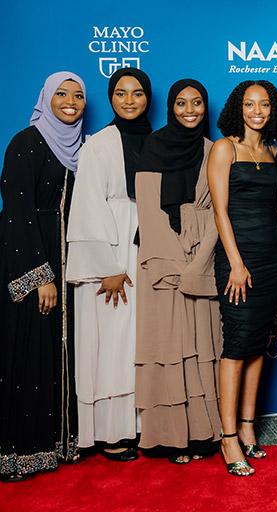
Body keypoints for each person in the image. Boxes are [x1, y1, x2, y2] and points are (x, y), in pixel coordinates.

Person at [0, 71, 86, 482]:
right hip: (32, 255)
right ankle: (21, 451)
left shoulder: (81, 147)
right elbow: (15, 212)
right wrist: (40, 276)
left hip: (69, 256)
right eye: (62, 94)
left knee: (60, 347)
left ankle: (58, 443)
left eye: (78, 95)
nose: (70, 101)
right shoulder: (25, 143)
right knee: (30, 346)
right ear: (46, 98)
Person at [66, 68, 152, 462]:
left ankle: (141, 426)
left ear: (148, 97)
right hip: (111, 257)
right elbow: (85, 207)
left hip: (147, 252)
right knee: (112, 344)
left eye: (137, 93)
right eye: (120, 93)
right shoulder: (97, 144)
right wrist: (108, 267)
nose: (129, 100)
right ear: (111, 98)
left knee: (139, 343)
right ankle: (111, 431)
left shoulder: (158, 141)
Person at [134, 79, 222, 465]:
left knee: (204, 346)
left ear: (206, 107)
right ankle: (170, 438)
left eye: (197, 102)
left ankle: (205, 435)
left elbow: (221, 211)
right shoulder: (153, 146)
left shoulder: (213, 150)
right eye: (182, 103)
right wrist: (173, 264)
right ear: (171, 107)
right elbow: (149, 212)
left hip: (203, 260)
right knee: (169, 348)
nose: (190, 110)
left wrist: (199, 261)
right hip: (162, 262)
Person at [208, 80, 277, 476]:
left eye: (263, 104)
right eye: (248, 104)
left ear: (272, 110)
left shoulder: (272, 153)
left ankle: (247, 428)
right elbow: (220, 212)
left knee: (258, 343)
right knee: (238, 343)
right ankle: (227, 439)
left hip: (271, 258)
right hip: (238, 259)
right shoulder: (225, 148)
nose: (256, 111)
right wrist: (236, 262)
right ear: (237, 108)